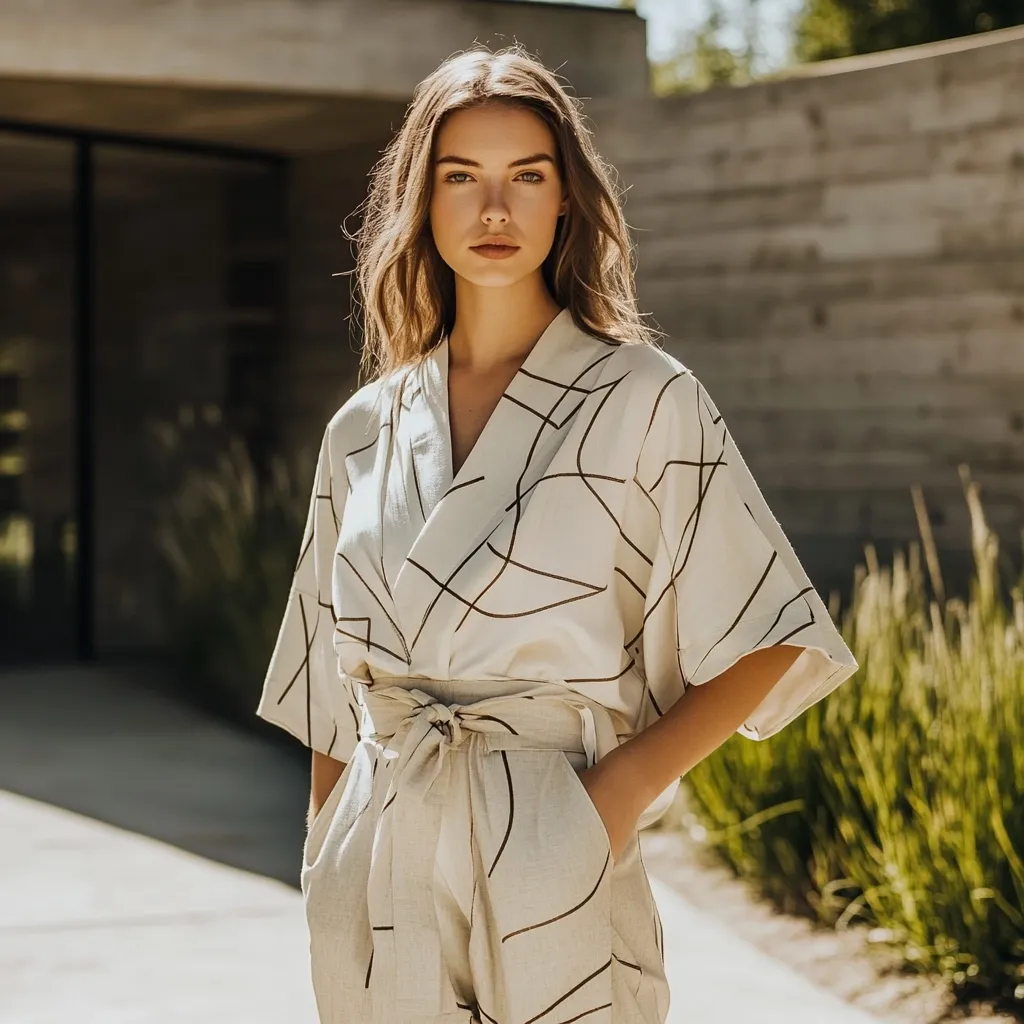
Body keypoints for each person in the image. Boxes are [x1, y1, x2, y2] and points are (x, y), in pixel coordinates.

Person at [256, 43, 859, 1024]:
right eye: (462, 179)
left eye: (525, 177)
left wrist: (606, 800)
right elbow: (326, 676)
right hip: (378, 863)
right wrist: (326, 843)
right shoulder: (363, 428)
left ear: (565, 199)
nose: (494, 211)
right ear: (423, 199)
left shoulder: (644, 398)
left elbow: (775, 627)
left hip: (548, 831)